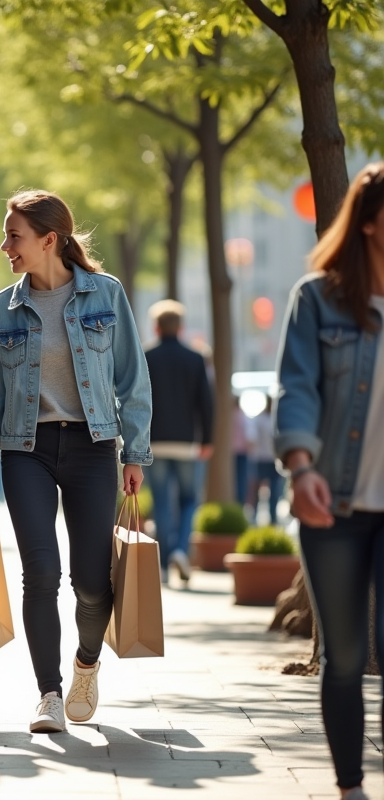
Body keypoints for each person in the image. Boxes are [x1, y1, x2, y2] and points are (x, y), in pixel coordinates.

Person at [0, 189, 152, 734]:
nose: (5, 246)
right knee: (40, 573)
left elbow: (132, 378)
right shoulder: (2, 308)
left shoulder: (105, 295)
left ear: (49, 240)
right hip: (27, 450)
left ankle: (87, 662)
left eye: (13, 236)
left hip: (94, 447)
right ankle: (49, 693)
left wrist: (135, 452)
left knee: (92, 580)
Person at [275, 162, 384, 800]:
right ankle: (350, 789)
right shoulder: (318, 299)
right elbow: (297, 390)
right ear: (370, 223)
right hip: (333, 505)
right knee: (345, 657)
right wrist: (301, 466)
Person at [143, 299, 214, 587]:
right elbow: (206, 402)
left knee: (161, 501)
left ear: (156, 327)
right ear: (181, 327)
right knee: (188, 500)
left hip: (154, 442)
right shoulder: (195, 358)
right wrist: (207, 439)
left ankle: (162, 565)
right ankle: (181, 550)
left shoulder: (146, 356)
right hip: (186, 443)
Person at [249, 397, 284, 524]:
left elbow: (252, 438)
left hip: (267, 459)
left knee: (270, 490)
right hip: (267, 458)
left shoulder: (261, 419)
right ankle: (267, 517)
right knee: (268, 490)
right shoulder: (269, 420)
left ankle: (268, 516)